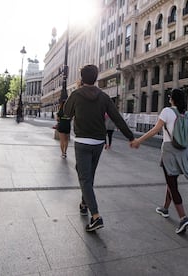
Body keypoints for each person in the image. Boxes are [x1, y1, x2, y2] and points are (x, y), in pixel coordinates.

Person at [64, 64, 134, 232]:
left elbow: (66, 114)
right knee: (88, 176)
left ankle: (96, 216)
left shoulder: (76, 94)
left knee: (85, 177)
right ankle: (83, 203)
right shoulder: (104, 97)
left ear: (81, 78)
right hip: (98, 143)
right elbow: (117, 118)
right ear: (96, 78)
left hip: (82, 142)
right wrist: (130, 137)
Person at [131, 88, 188, 234]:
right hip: (184, 152)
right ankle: (165, 208)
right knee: (171, 180)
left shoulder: (167, 111)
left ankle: (183, 217)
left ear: (171, 99)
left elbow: (155, 130)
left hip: (169, 151)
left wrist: (139, 140)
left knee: (172, 184)